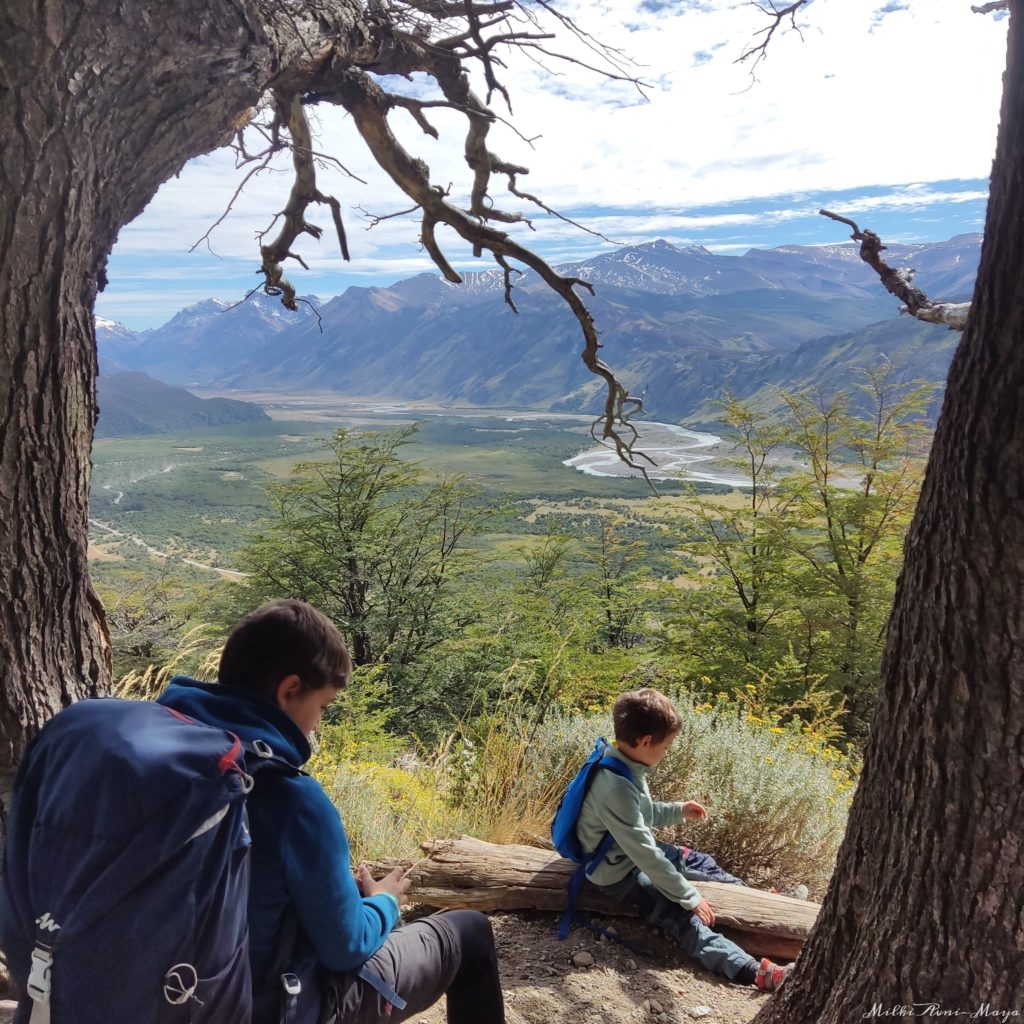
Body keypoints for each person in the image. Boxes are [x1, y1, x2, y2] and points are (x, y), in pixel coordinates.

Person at [158, 599, 506, 1024]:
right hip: (269, 1006)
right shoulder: (291, 797)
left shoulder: (157, 763)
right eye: (322, 706)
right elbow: (346, 947)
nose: (318, 725)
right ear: (289, 691)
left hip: (167, 992)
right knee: (469, 932)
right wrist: (384, 903)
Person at [575, 687, 793, 992]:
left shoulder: (625, 766)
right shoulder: (616, 788)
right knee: (677, 914)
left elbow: (643, 816)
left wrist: (678, 811)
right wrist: (689, 897)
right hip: (618, 871)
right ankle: (753, 971)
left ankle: (761, 902)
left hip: (626, 851)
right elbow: (646, 855)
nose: (667, 753)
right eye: (666, 747)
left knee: (702, 862)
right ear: (646, 742)